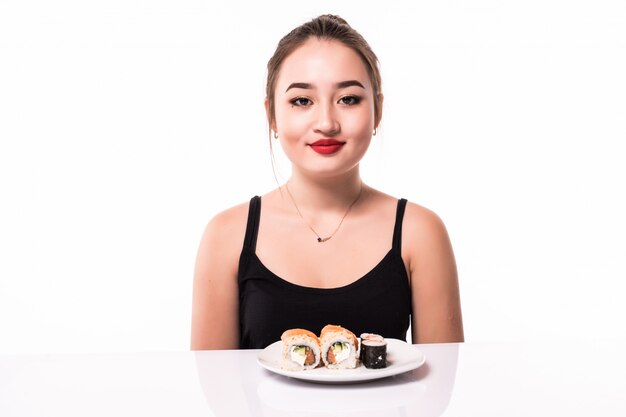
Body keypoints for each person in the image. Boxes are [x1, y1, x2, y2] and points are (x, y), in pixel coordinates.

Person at [191, 14, 464, 350]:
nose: (326, 123)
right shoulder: (226, 235)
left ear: (377, 110)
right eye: (301, 101)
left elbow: (440, 386)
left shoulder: (419, 232)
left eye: (348, 99)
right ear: (272, 116)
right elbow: (214, 390)